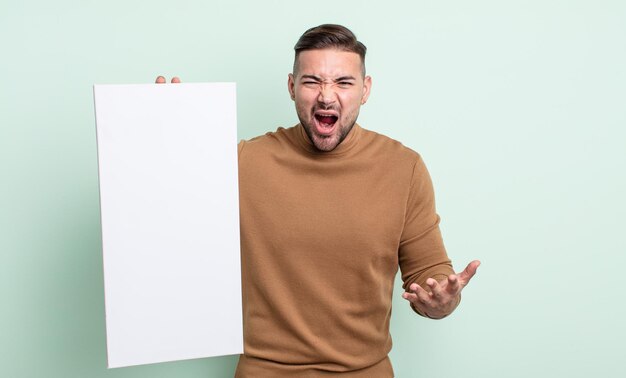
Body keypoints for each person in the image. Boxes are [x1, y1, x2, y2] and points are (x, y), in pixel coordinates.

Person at [157, 24, 480, 377]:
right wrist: (167, 129)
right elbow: (169, 215)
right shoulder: (243, 163)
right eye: (312, 81)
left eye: (343, 82)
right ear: (292, 87)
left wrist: (441, 301)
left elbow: (429, 276)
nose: (327, 96)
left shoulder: (404, 168)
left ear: (365, 89)